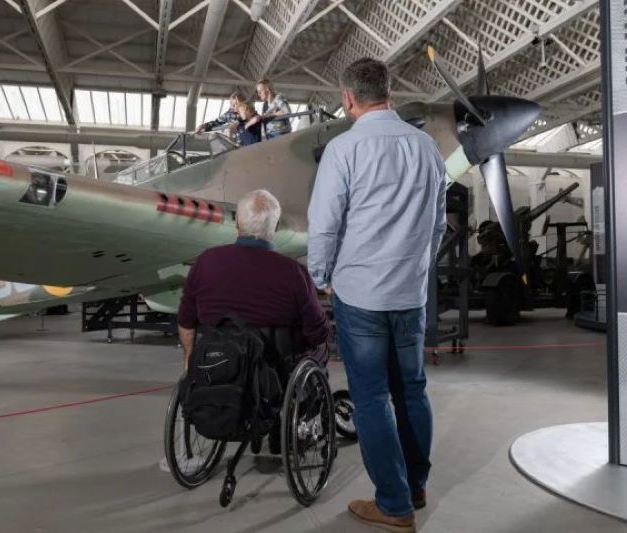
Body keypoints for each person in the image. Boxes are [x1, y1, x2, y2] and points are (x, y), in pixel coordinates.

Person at [307, 57, 447, 533]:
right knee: (412, 389)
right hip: (410, 294)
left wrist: (320, 273)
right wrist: (419, 268)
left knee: (371, 398)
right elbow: (439, 223)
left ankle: (393, 503)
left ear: (348, 98)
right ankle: (416, 485)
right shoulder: (428, 148)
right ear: (388, 92)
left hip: (361, 294)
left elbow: (324, 222)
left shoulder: (344, 150)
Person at [178, 189, 332, 453]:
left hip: (220, 363)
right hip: (275, 371)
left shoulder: (205, 262)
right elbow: (316, 331)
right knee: (321, 347)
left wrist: (192, 360)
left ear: (237, 222)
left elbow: (186, 321)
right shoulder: (293, 272)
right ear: (273, 228)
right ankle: (302, 426)